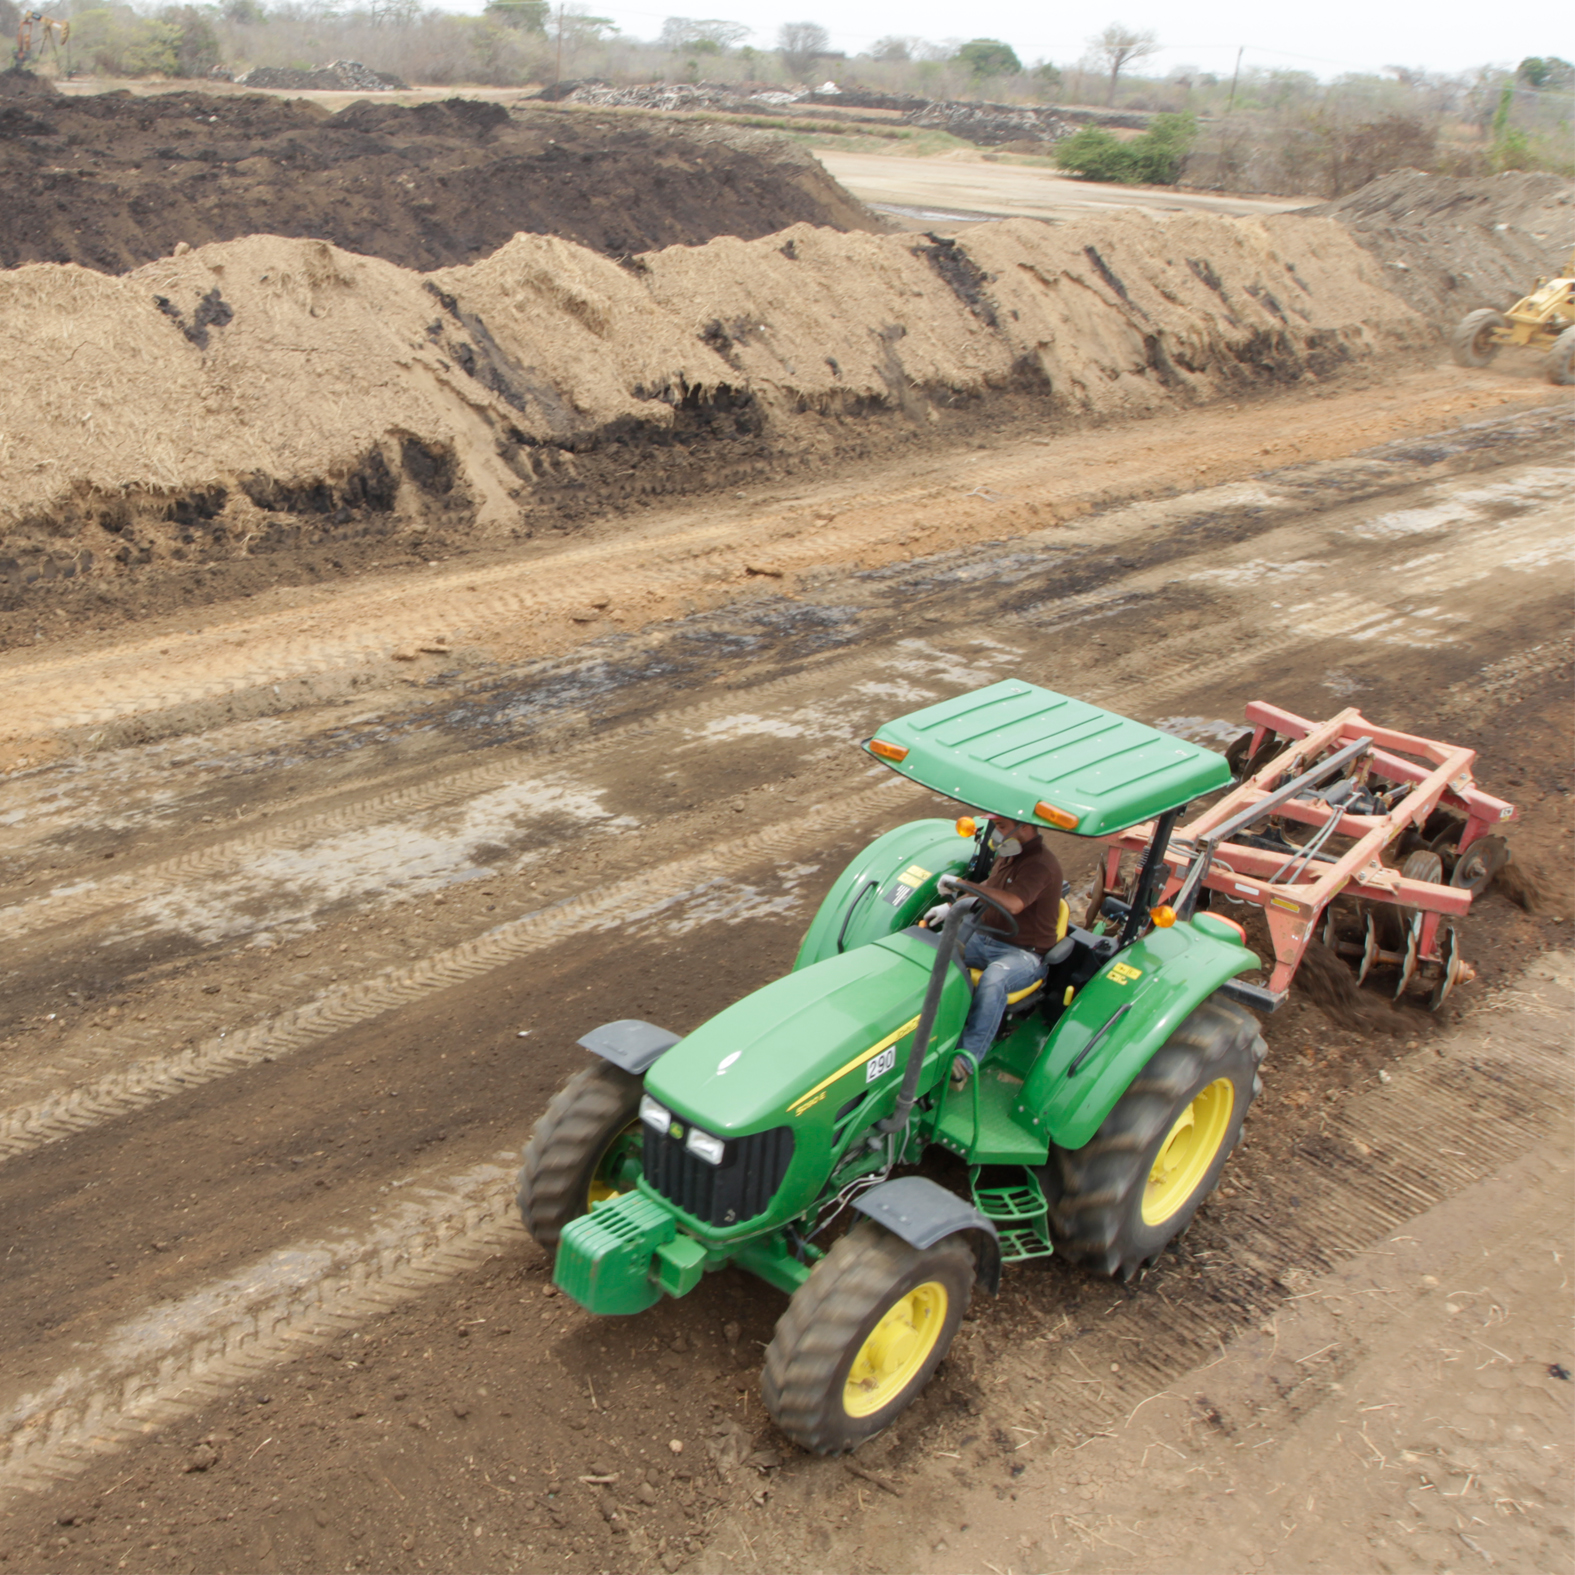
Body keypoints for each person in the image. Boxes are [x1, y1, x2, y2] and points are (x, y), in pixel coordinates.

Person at [926, 815, 1064, 1086]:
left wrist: (962, 884)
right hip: (987, 937)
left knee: (994, 979)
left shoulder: (1042, 865)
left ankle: (965, 1062)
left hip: (1024, 953)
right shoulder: (1009, 854)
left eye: (1001, 826)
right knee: (932, 949)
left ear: (1023, 827)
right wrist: (952, 906)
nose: (996, 833)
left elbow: (1013, 903)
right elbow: (989, 887)